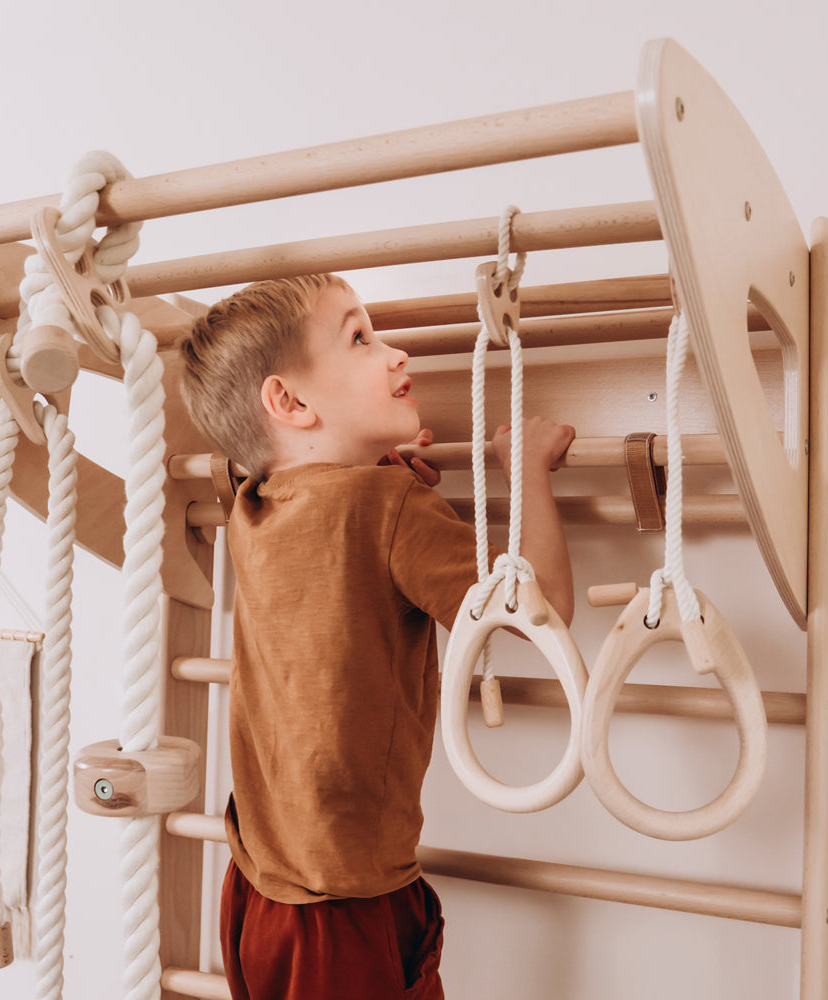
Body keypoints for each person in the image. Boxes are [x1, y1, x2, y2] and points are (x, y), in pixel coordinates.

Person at [179, 272, 575, 1000]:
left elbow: (332, 532)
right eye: (359, 338)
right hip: (344, 907)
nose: (395, 355)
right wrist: (527, 471)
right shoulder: (388, 507)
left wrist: (383, 467)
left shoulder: (253, 504)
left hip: (256, 891)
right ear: (289, 401)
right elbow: (540, 608)